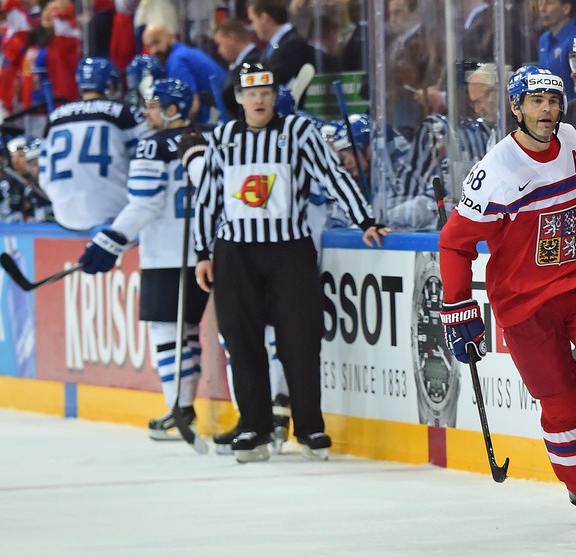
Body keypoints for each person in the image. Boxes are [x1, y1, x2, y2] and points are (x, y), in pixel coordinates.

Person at [438, 67, 576, 527]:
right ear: (516, 107)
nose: (548, 109)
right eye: (537, 101)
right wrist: (458, 307)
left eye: (554, 100)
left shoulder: (574, 141)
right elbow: (454, 242)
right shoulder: (498, 171)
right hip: (528, 305)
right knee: (561, 404)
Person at [192, 61, 384, 463]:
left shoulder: (299, 133)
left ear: (274, 94)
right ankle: (253, 427)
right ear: (240, 98)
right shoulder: (223, 138)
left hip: (289, 250)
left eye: (266, 92)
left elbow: (332, 175)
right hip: (234, 253)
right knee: (242, 343)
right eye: (251, 93)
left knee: (300, 339)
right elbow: (207, 198)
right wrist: (201, 253)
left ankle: (310, 427)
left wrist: (363, 218)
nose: (259, 100)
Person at [76, 79, 209, 440]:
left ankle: (178, 410)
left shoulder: (151, 146)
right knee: (192, 333)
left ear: (172, 109)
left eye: (153, 106)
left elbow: (146, 203)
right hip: (210, 250)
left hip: (168, 253)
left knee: (169, 333)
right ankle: (187, 407)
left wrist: (110, 240)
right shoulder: (211, 137)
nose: (146, 113)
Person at [41, 58, 141, 232]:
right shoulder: (124, 113)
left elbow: (43, 173)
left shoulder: (54, 118)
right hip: (116, 217)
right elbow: (147, 159)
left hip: (64, 216)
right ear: (110, 86)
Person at [140, 24, 229, 124]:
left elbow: (193, 106)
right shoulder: (183, 52)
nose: (154, 50)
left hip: (220, 120)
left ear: (170, 37)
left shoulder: (176, 61)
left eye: (156, 42)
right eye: (149, 46)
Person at [248, 0, 318, 91]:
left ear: (264, 18)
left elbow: (270, 79)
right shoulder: (273, 46)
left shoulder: (292, 44)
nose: (253, 27)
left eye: (253, 21)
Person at [538, 0, 576, 96]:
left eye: (549, 3)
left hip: (571, 111)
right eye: (541, 2)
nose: (542, 8)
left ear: (566, 8)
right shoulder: (543, 40)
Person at [213, 18, 261, 123]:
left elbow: (228, 96)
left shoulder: (253, 63)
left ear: (231, 38)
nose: (219, 51)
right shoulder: (242, 64)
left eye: (219, 44)